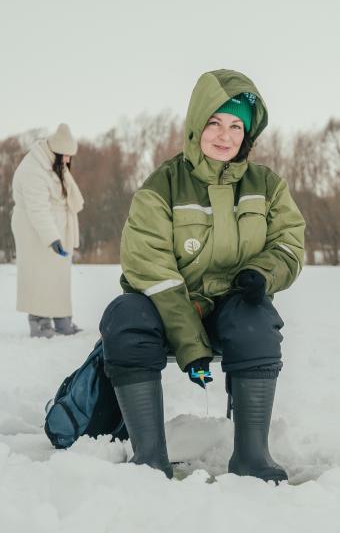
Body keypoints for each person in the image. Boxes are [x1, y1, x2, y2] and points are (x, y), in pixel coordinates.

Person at [99, 69, 305, 481]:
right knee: (124, 317)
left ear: (247, 134)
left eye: (235, 126)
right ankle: (150, 460)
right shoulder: (163, 185)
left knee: (257, 320)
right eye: (214, 122)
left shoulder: (267, 184)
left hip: (232, 303)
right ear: (196, 125)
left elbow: (288, 243)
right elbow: (149, 266)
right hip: (169, 305)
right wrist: (191, 345)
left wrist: (261, 275)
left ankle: (252, 457)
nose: (224, 135)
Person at [11, 124, 84, 338]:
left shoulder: (53, 163)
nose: (69, 161)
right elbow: (37, 210)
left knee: (59, 276)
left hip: (57, 226)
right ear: (57, 151)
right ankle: (40, 322)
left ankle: (62, 320)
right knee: (38, 275)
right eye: (67, 156)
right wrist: (52, 238)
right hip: (34, 230)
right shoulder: (33, 169)